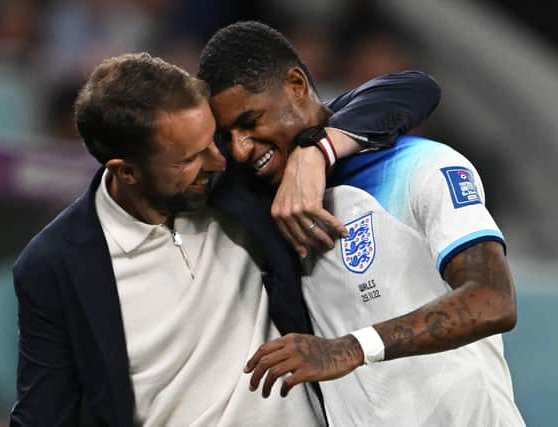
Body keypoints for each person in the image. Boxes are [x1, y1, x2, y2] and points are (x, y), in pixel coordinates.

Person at [10, 50, 439, 425]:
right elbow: (45, 413)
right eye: (191, 158)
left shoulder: (239, 164)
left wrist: (316, 152)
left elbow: (410, 90)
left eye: (209, 139)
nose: (220, 158)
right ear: (127, 171)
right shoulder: (55, 265)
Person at [198, 21, 524, 426]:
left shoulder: (423, 166)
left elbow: (493, 300)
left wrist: (352, 348)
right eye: (228, 136)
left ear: (297, 85)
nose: (241, 149)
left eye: (251, 122)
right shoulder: (256, 200)